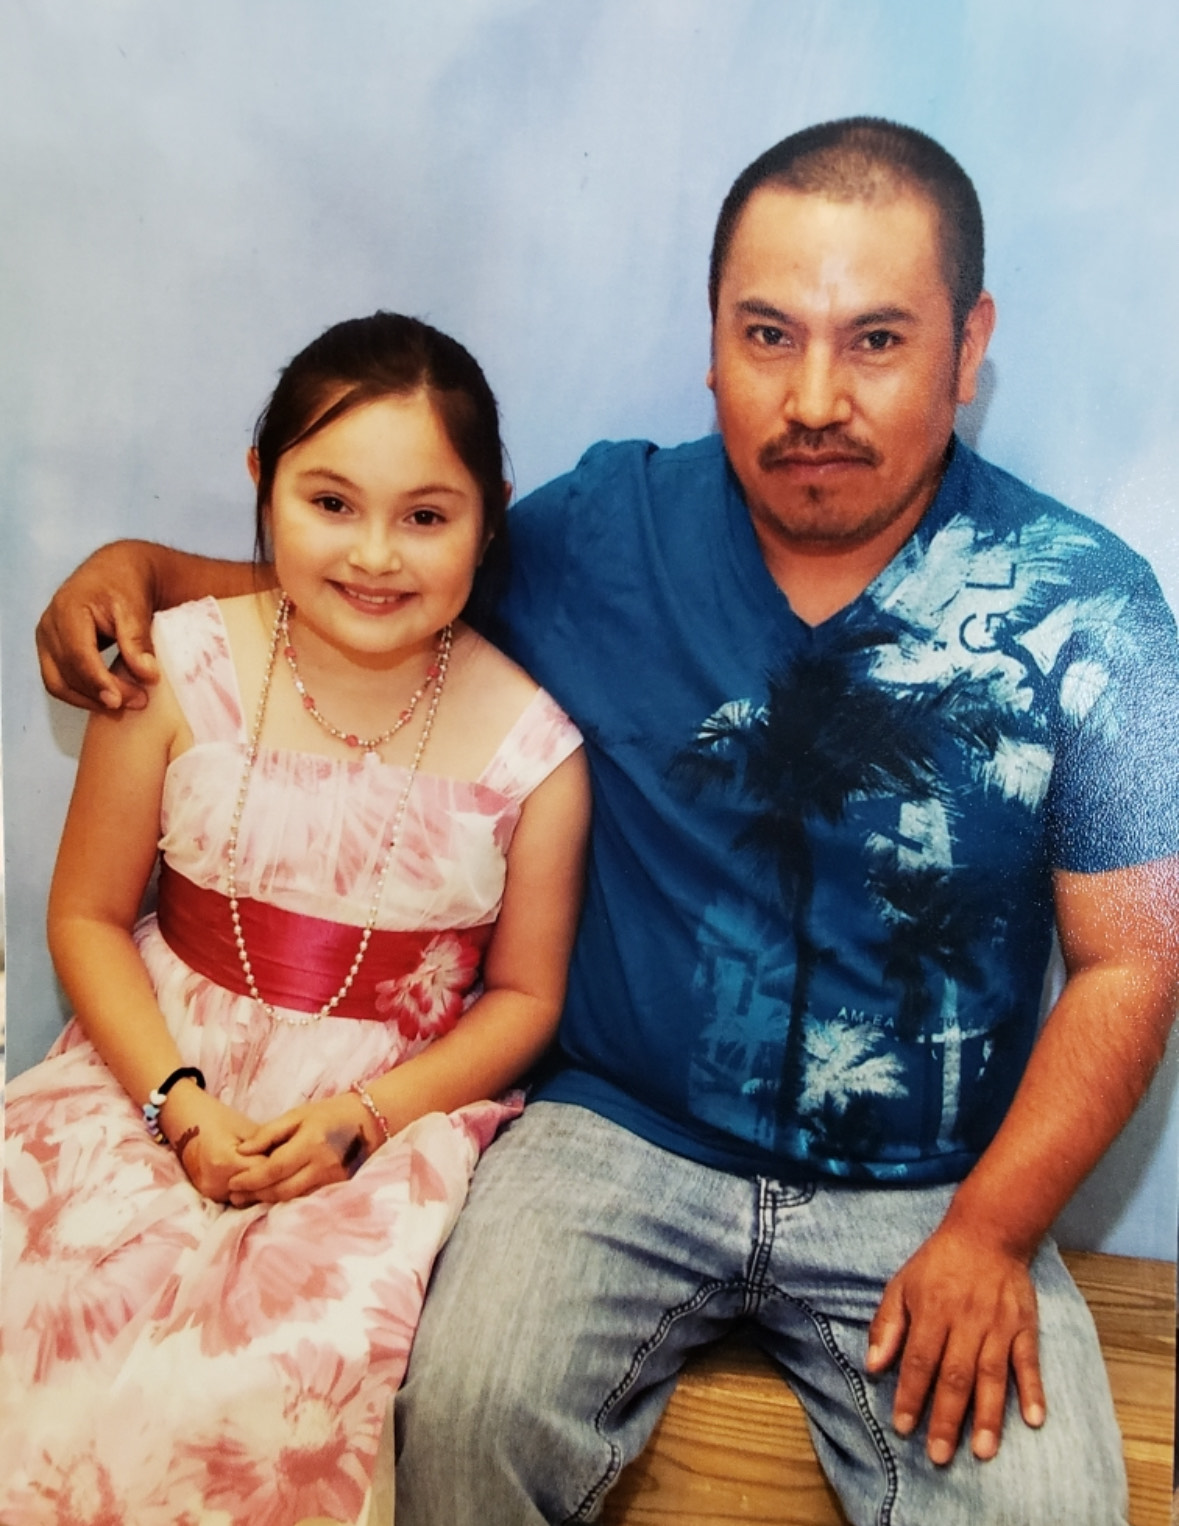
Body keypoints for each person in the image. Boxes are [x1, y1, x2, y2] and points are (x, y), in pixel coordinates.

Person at [34, 119, 1179, 1524]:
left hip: (933, 1189)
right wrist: (143, 569)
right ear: (711, 338)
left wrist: (994, 1231)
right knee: (463, 1409)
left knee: (1043, 1507)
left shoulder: (1095, 607)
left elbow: (1133, 959)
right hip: (615, 1134)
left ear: (968, 342)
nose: (813, 396)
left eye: (876, 339)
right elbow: (377, 581)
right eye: (767, 334)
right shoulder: (601, 530)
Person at [2, 312, 589, 1525]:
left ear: (490, 516)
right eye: (331, 502)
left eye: (426, 516)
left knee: (280, 1378)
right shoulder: (174, 667)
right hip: (147, 1073)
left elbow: (528, 995)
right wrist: (176, 1102)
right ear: (263, 486)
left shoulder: (535, 752)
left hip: (379, 1124)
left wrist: (361, 1120)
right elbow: (87, 914)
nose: (375, 554)